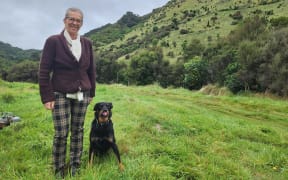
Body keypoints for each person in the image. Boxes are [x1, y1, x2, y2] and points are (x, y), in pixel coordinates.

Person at [38, 7, 96, 178]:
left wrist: (92, 91)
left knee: (78, 130)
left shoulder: (87, 43)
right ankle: (59, 168)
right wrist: (46, 96)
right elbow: (44, 71)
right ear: (64, 20)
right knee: (61, 133)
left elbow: (91, 70)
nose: (75, 23)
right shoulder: (53, 41)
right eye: (71, 19)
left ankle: (75, 165)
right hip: (59, 93)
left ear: (81, 23)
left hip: (82, 93)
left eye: (78, 20)